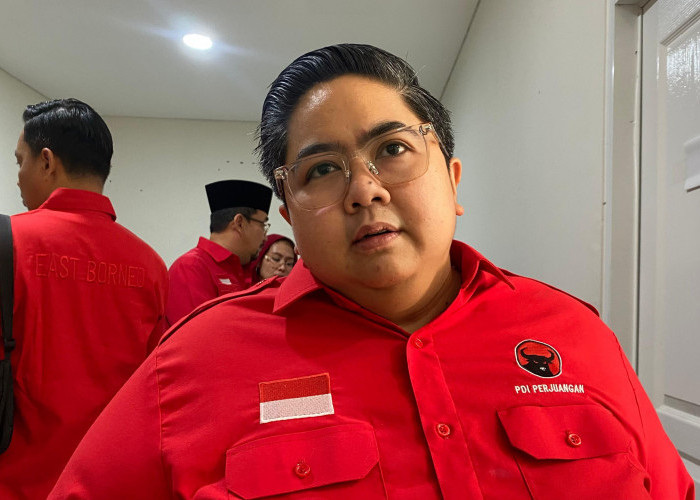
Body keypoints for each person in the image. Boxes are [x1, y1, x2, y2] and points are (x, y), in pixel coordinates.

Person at [50, 45, 693, 500]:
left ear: (452, 179)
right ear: (289, 214)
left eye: (393, 149)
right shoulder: (193, 363)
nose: (364, 191)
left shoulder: (574, 333)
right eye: (322, 169)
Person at [0, 98, 168, 499]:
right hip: (109, 484)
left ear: (47, 161)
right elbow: (154, 392)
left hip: (16, 482)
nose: (18, 177)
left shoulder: (9, 243)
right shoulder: (151, 265)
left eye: (20, 161)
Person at [165, 180, 272, 326]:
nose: (265, 237)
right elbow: (196, 333)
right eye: (263, 225)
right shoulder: (191, 267)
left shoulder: (243, 269)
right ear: (239, 223)